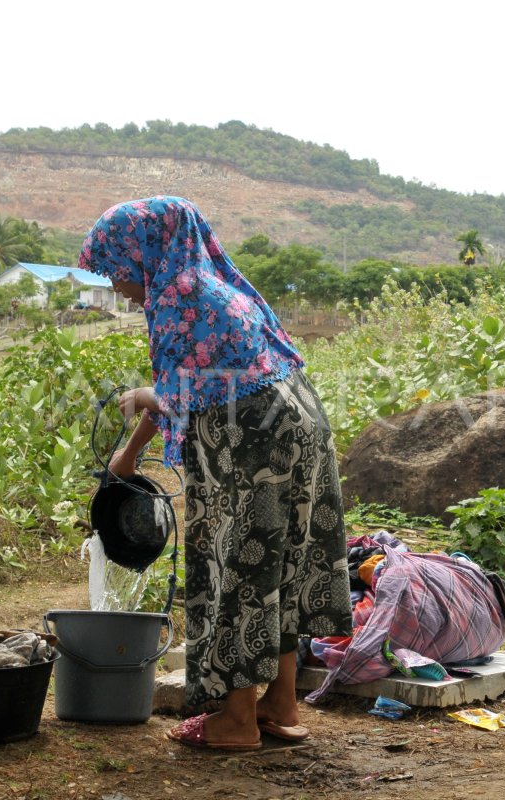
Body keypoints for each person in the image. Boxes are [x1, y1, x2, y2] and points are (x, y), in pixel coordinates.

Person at [79, 196, 352, 751]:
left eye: (117, 271)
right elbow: (195, 385)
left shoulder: (182, 298)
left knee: (239, 562)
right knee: (282, 561)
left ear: (146, 254)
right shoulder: (214, 287)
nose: (118, 288)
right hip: (298, 427)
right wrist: (129, 454)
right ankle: (280, 704)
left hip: (255, 442)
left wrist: (137, 400)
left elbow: (187, 393)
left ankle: (236, 721)